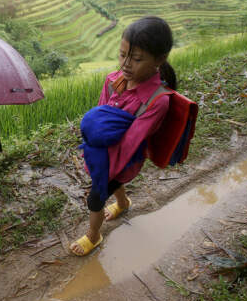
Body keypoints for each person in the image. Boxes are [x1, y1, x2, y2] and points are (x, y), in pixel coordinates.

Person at [70, 16, 177, 256]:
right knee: (108, 186)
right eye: (122, 55)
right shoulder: (114, 80)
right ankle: (123, 203)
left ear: (159, 60)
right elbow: (100, 114)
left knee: (95, 199)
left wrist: (104, 173)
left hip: (124, 159)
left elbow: (132, 142)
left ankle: (94, 236)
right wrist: (92, 148)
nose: (126, 64)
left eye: (137, 59)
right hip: (102, 151)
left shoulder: (157, 101)